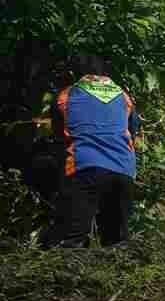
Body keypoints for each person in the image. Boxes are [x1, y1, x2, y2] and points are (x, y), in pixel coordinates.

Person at [38, 55, 142, 249]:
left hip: (84, 166)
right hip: (123, 168)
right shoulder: (124, 96)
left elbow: (58, 135)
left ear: (75, 74)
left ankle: (67, 277)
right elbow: (133, 130)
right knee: (117, 243)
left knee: (73, 238)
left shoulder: (67, 95)